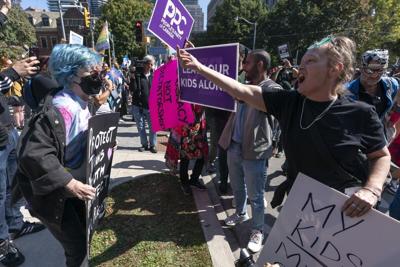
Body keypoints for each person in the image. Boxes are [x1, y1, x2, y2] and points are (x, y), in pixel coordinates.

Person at [177, 36, 390, 219]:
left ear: (335, 69)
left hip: (347, 209)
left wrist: (371, 190)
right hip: (301, 202)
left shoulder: (361, 113)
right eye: (302, 61)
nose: (301, 67)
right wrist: (199, 67)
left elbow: (380, 155)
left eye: (311, 61)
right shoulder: (289, 102)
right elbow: (242, 90)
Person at [15, 44, 100, 267]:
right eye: (90, 72)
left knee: (84, 231)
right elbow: (33, 154)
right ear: (72, 75)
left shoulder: (82, 101)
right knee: (77, 245)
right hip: (55, 193)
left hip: (73, 186)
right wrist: (68, 182)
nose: (96, 76)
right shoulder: (62, 108)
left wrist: (102, 143)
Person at [219, 49, 281, 253]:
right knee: (237, 187)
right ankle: (240, 214)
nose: (243, 66)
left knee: (256, 195)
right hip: (234, 145)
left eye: (247, 63)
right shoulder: (243, 86)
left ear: (260, 65)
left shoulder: (272, 89)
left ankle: (258, 230)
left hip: (254, 151)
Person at [165, 105, 208, 195]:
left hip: (199, 130)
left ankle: (194, 180)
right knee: (185, 158)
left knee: (202, 157)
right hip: (185, 129)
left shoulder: (202, 92)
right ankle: (184, 183)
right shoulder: (184, 92)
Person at [130, 55, 157, 153]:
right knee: (141, 126)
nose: (151, 66)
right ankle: (144, 144)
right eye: (149, 64)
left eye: (152, 64)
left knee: (153, 126)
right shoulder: (137, 75)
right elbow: (133, 89)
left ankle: (153, 145)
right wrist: (132, 77)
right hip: (138, 105)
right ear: (145, 64)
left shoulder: (154, 75)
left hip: (151, 106)